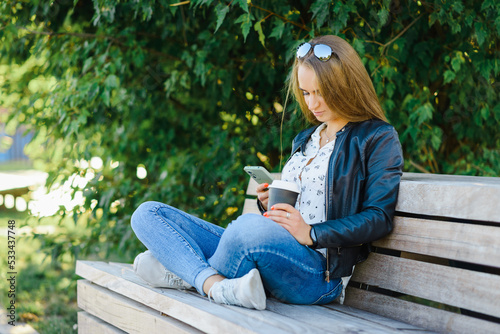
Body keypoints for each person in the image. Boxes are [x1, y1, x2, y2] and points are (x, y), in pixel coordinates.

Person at [130, 35, 404, 311]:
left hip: (319, 273)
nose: (312, 104)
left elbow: (378, 218)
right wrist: (268, 205)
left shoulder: (376, 137)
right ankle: (215, 286)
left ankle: (184, 274)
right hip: (272, 250)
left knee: (246, 228)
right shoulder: (306, 138)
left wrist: (312, 233)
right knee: (148, 213)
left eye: (321, 92)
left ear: (344, 84)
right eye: (306, 93)